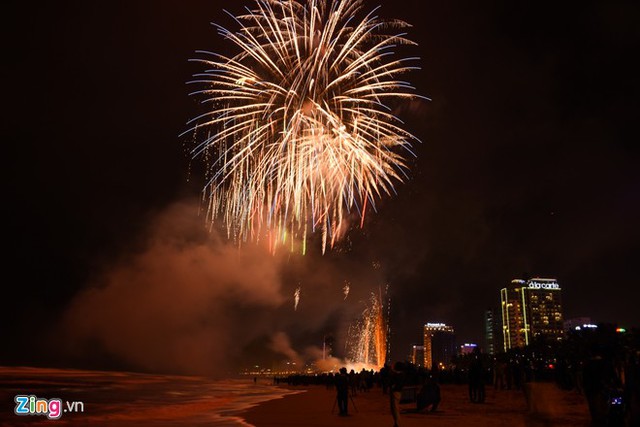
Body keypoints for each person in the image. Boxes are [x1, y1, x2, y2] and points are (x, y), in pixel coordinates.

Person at [389, 362, 406, 427]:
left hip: (396, 392)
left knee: (395, 408)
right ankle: (396, 423)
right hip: (397, 392)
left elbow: (395, 381)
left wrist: (394, 387)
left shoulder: (399, 375)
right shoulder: (401, 374)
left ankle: (398, 423)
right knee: (394, 408)